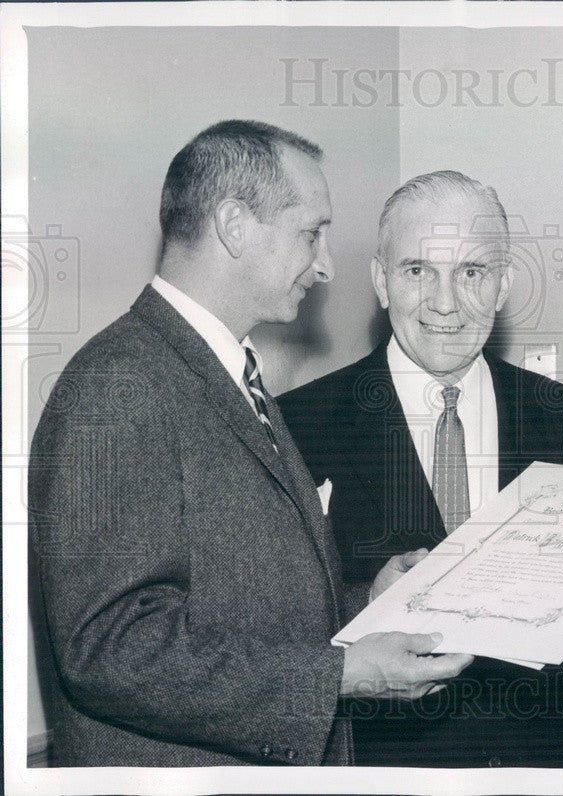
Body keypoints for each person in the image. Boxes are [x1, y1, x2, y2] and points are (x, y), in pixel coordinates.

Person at [28, 121, 472, 767]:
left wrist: (367, 601)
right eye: (310, 232)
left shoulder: (227, 373)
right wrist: (341, 675)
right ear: (235, 225)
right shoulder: (115, 386)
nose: (323, 266)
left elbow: (244, 603)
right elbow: (110, 646)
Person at [279, 170, 563, 767]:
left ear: (503, 286)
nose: (446, 303)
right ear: (381, 282)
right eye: (418, 271)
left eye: (472, 273)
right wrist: (367, 598)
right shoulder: (300, 426)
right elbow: (263, 625)